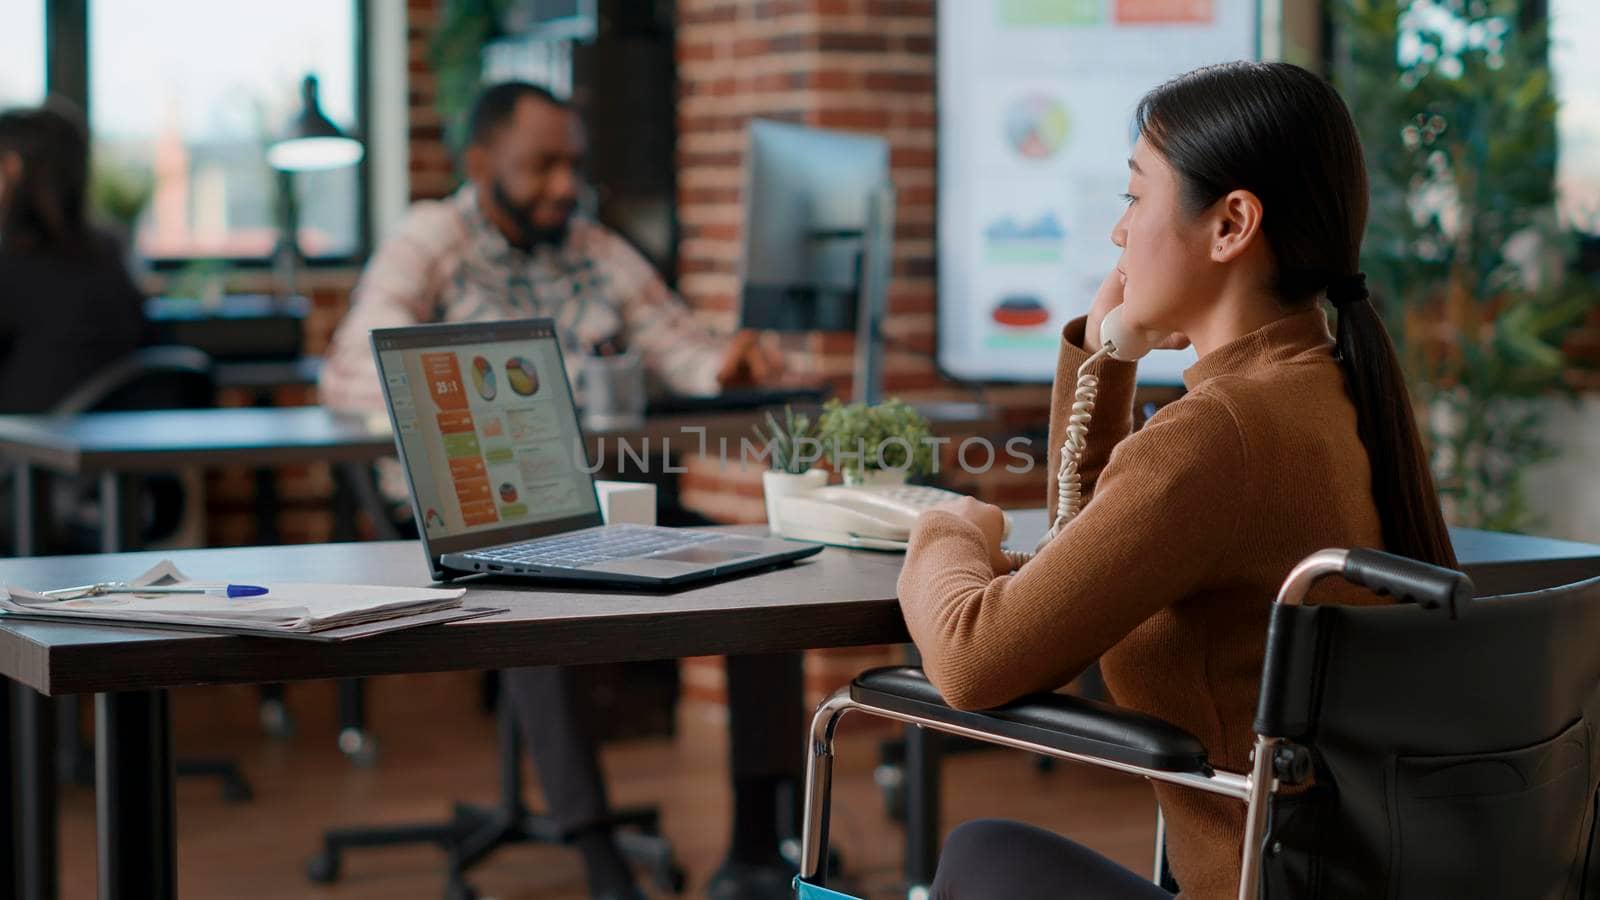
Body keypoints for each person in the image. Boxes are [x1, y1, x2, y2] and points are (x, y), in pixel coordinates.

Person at [897, 61, 1457, 900]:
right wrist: (1107, 357)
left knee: (984, 856)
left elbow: (975, 658)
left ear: (1231, 223)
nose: (1119, 233)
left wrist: (945, 523)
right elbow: (1085, 547)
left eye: (1133, 197)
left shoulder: (1217, 435)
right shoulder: (1322, 385)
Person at [321, 82, 808, 900]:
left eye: (572, 164)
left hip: (592, 500)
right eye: (540, 165)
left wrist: (723, 364)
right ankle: (600, 861)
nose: (561, 185)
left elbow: (675, 342)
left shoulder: (589, 244)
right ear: (480, 164)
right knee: (532, 589)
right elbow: (346, 371)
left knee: (760, 567)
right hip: (463, 514)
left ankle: (758, 847)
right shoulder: (431, 238)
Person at [0, 102, 146, 413]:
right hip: (105, 448)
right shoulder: (112, 255)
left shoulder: (12, 263)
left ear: (13, 167)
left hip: (25, 448)